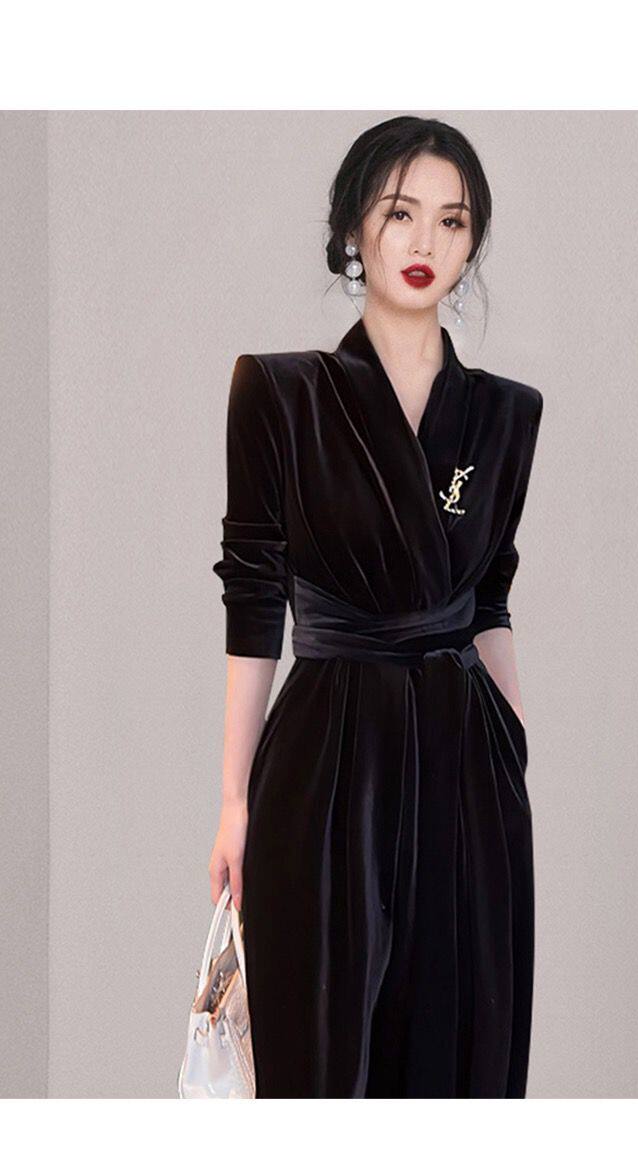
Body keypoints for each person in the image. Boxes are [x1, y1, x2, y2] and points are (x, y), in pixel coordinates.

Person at [209, 115, 543, 1097]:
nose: (425, 240)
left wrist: (513, 741)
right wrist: (233, 800)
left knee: (459, 1054)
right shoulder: (279, 393)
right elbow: (254, 593)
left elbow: (489, 591)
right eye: (401, 213)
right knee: (320, 1054)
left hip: (466, 764)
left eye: (452, 220)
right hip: (327, 758)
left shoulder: (507, 413)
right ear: (356, 226)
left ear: (472, 243)